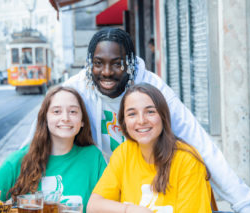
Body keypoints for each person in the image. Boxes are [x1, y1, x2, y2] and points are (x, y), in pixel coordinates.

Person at [25, 27, 250, 212]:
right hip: (106, 187)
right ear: (90, 63)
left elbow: (200, 143)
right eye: (98, 64)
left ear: (131, 63)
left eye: (117, 63)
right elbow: (39, 137)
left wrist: (245, 205)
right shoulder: (76, 89)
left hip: (152, 182)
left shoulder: (154, 90)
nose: (106, 72)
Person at [0, 86, 106, 212]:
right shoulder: (18, 160)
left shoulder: (93, 157)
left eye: (73, 111)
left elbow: (108, 204)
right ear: (45, 118)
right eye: (56, 111)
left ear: (82, 120)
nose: (65, 118)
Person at [87, 83, 212, 212]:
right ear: (123, 122)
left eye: (150, 112)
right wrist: (129, 210)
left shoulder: (187, 160)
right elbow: (93, 206)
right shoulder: (124, 152)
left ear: (163, 116)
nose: (141, 120)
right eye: (132, 114)